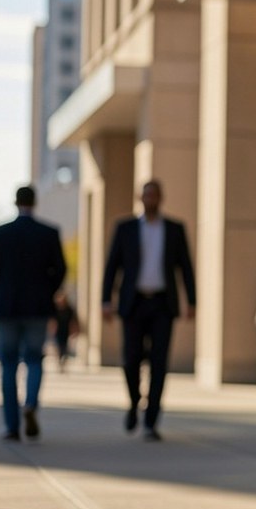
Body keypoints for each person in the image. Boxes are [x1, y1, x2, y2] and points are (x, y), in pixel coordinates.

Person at [100, 180, 196, 441]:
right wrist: (105, 300)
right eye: (146, 195)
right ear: (140, 198)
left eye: (154, 195)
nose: (150, 199)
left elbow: (185, 267)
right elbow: (112, 267)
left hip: (163, 304)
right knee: (130, 359)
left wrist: (192, 301)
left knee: (159, 363)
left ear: (161, 198)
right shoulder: (126, 229)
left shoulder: (174, 229)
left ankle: (151, 420)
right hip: (134, 303)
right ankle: (134, 403)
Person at [0, 186, 66, 440]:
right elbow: (59, 270)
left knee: (7, 363)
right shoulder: (48, 233)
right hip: (37, 307)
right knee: (35, 359)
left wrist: (0, 291)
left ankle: (12, 425)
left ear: (15, 202)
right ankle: (30, 404)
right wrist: (46, 292)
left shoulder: (0, 233)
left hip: (7, 307)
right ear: (35, 202)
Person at [51, 288, 81, 373]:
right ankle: (60, 360)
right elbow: (53, 320)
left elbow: (74, 320)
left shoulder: (69, 310)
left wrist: (74, 329)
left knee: (65, 347)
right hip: (58, 331)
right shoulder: (55, 309)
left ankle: (63, 361)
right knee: (59, 346)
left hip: (66, 331)